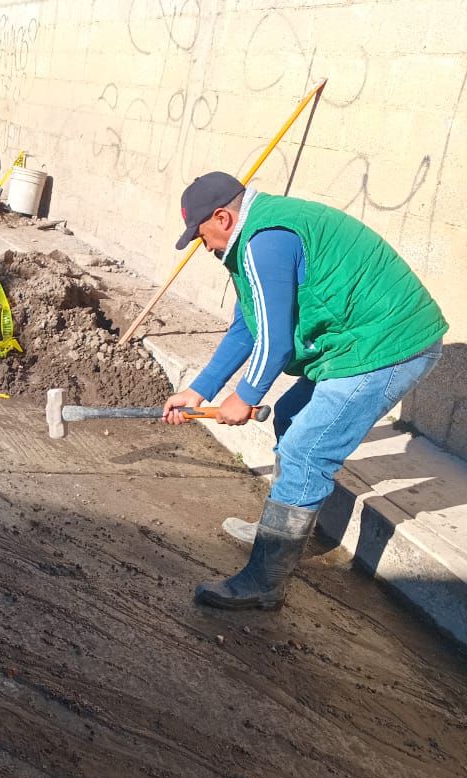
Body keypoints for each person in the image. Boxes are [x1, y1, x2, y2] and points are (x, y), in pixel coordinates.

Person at [162, 171, 447, 612]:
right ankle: (279, 531)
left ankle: (263, 581)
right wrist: (200, 390)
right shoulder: (258, 236)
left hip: (387, 347)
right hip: (357, 342)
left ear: (222, 217)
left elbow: (274, 342)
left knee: (305, 450)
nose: (206, 249)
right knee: (292, 416)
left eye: (202, 238)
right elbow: (248, 325)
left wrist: (245, 396)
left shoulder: (264, 242)